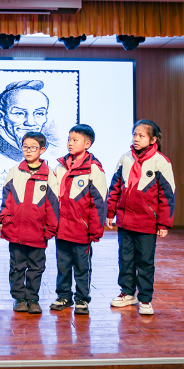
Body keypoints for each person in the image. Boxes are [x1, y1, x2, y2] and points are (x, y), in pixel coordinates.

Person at [106, 120, 176, 315]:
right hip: (125, 220)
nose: (136, 139)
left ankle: (145, 299)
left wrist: (163, 223)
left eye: (141, 136)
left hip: (147, 222)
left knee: (145, 261)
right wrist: (110, 212)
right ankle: (128, 293)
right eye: (134, 135)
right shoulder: (125, 158)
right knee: (125, 259)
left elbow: (168, 195)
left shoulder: (161, 162)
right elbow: (115, 187)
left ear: (153, 140)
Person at [0, 132, 59, 314]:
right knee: (17, 266)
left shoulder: (48, 174)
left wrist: (50, 229)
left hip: (38, 231)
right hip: (15, 230)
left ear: (42, 149)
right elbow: (6, 198)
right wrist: (5, 218)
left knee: (36, 267)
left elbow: (53, 204)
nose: (29, 150)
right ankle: (19, 298)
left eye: (33, 147)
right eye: (25, 147)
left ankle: (32, 298)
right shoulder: (15, 171)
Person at [51, 124, 107, 315]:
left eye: (75, 140)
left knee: (82, 267)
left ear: (87, 144)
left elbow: (99, 202)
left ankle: (82, 299)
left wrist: (95, 229)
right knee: (63, 266)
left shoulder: (93, 169)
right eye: (69, 139)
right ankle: (63, 296)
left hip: (82, 230)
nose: (70, 143)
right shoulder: (60, 166)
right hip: (61, 228)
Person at [0, 80, 60, 163]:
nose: (30, 123)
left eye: (39, 113)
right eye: (19, 113)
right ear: (0, 118)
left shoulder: (55, 153)